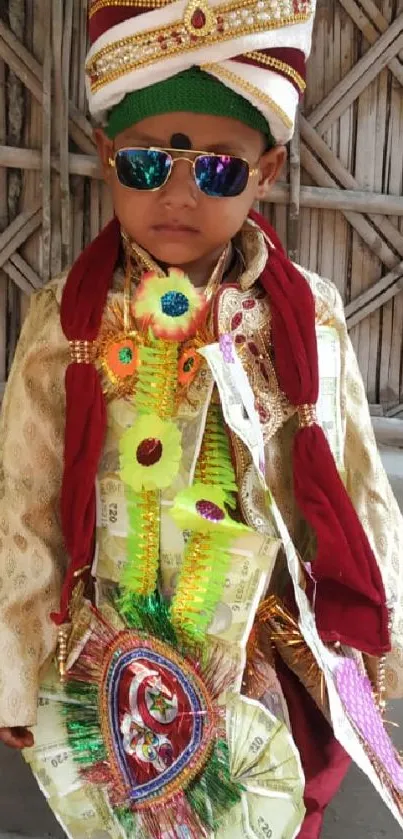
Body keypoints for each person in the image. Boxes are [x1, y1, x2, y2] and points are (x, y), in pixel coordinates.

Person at [1, 1, 403, 837]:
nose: (180, 195)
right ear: (108, 156)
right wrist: (13, 669)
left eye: (218, 171)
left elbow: (357, 478)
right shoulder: (67, 324)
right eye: (148, 165)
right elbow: (26, 499)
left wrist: (379, 636)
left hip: (265, 651)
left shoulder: (310, 314)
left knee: (271, 803)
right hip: (112, 644)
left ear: (268, 171)